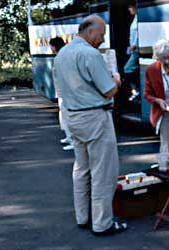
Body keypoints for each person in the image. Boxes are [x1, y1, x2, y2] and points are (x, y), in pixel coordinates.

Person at [54, 15, 127, 236]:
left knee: (81, 168)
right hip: (95, 118)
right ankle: (102, 223)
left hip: (73, 117)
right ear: (90, 31)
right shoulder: (90, 54)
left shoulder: (62, 54)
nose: (103, 39)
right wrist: (117, 79)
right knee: (103, 172)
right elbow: (109, 90)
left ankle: (83, 217)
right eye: (102, 34)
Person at [49, 36, 73, 151]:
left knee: (68, 115)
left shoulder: (61, 58)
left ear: (54, 47)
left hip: (66, 92)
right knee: (63, 115)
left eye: (51, 47)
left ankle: (73, 140)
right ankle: (69, 137)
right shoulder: (61, 56)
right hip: (62, 91)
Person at [123, 1, 139, 101]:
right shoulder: (135, 18)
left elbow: (138, 32)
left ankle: (137, 90)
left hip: (136, 50)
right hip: (133, 50)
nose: (129, 9)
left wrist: (134, 45)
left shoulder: (138, 18)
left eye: (130, 7)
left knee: (127, 69)